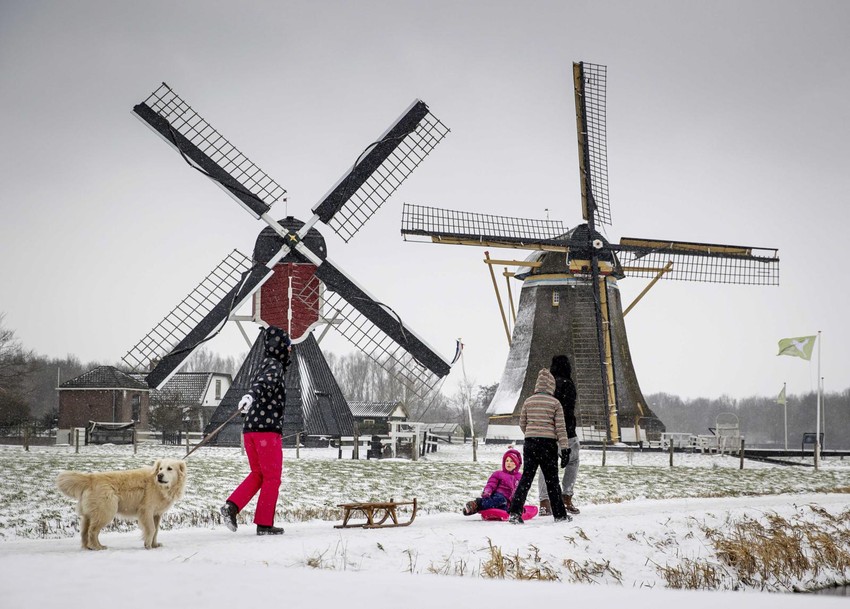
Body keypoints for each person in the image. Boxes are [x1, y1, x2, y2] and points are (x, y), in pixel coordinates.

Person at [220, 326, 291, 536]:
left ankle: (231, 507)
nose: (289, 351)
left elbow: (260, 384)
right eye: (287, 346)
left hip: (250, 430)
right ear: (279, 347)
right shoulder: (275, 366)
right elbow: (263, 384)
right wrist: (251, 396)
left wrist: (250, 398)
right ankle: (265, 523)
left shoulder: (263, 364)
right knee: (273, 477)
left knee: (259, 474)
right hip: (267, 431)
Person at [507, 368, 570, 524]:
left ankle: (515, 513)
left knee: (526, 478)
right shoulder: (555, 403)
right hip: (548, 444)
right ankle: (560, 515)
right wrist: (565, 448)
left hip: (530, 443)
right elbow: (560, 428)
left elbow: (522, 423)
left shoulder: (528, 401)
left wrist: (531, 433)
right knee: (552, 481)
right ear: (551, 386)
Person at [537, 354, 581, 516]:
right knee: (572, 462)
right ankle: (566, 497)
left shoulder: (547, 386)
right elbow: (567, 409)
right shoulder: (568, 384)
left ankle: (544, 502)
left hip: (547, 432)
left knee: (546, 466)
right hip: (567, 431)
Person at [461, 448, 522, 516]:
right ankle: (476, 505)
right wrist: (487, 491)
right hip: (497, 495)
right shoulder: (498, 474)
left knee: (505, 509)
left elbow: (520, 492)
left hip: (507, 502)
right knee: (500, 499)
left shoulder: (519, 477)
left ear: (516, 464)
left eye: (511, 461)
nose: (508, 463)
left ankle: (490, 511)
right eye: (506, 461)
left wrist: (518, 505)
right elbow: (491, 484)